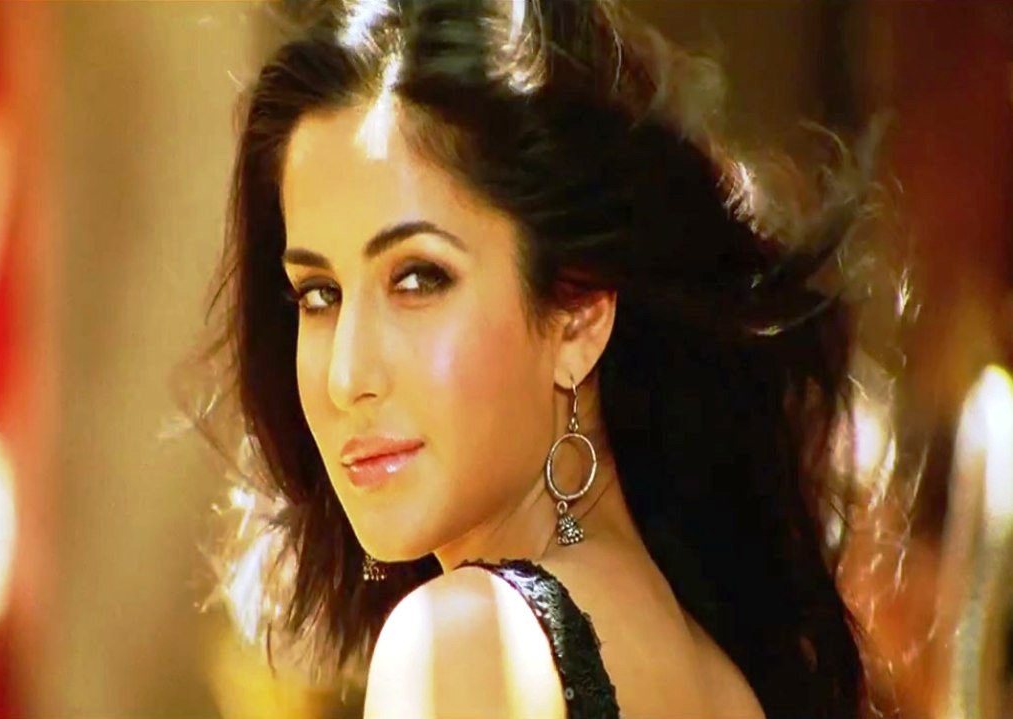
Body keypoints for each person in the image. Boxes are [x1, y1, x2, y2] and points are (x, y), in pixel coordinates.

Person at [204, 0, 869, 716]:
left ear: (579, 315)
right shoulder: (718, 673)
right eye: (318, 294)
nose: (347, 377)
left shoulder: (465, 645)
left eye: (419, 279)